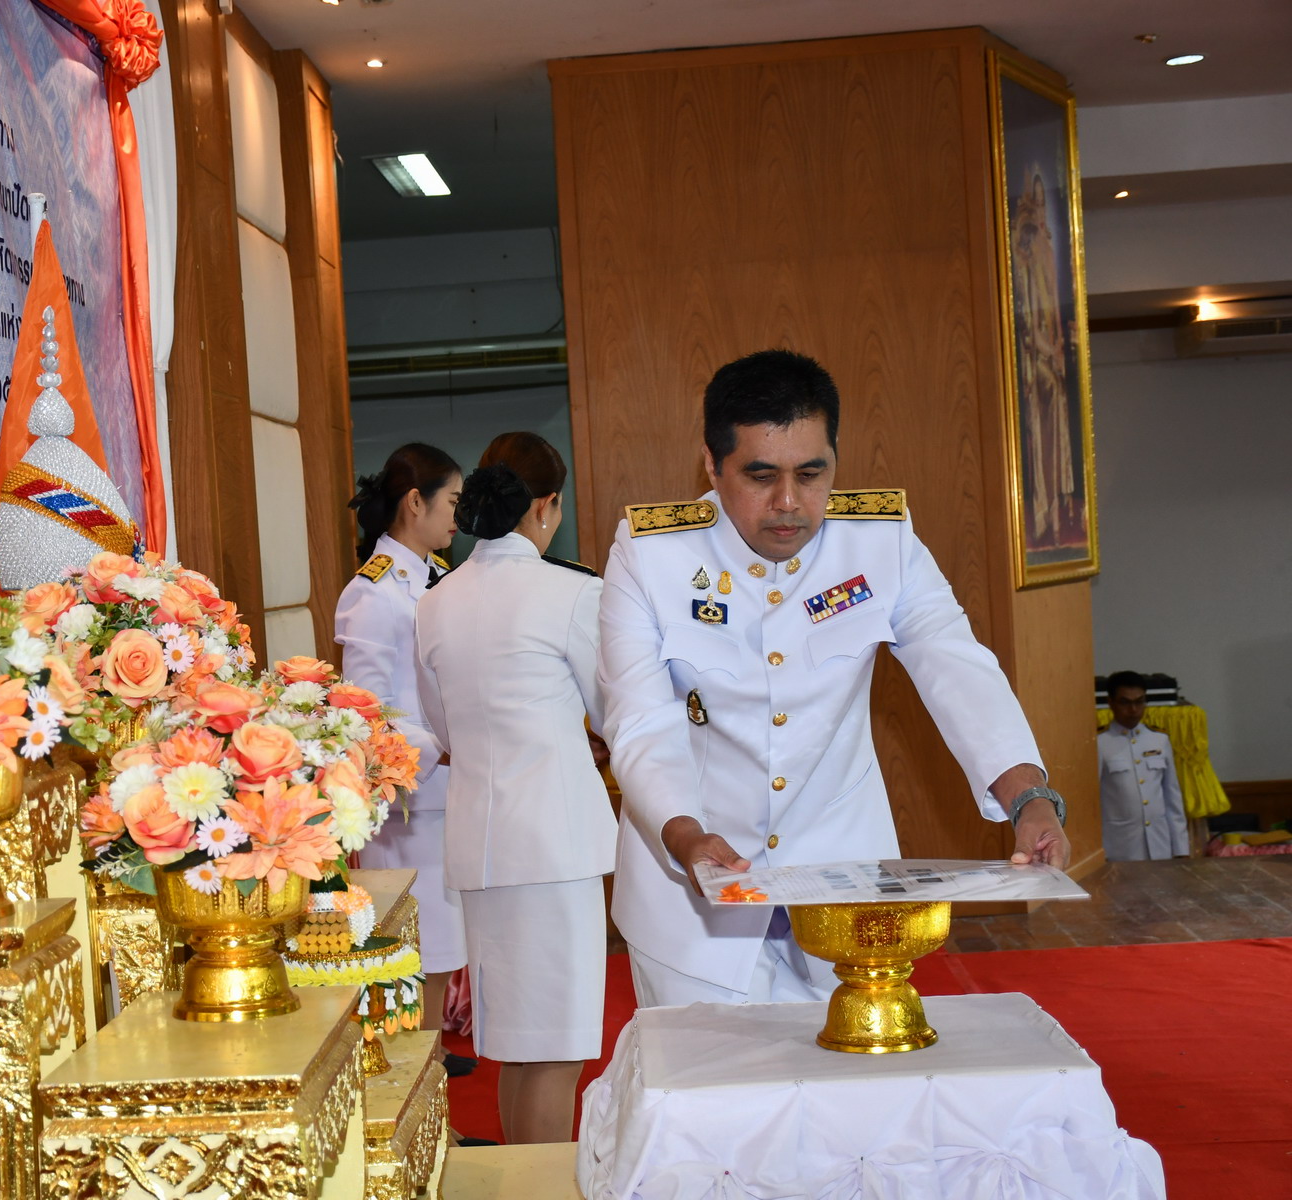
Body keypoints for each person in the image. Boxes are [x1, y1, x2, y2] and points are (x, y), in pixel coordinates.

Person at [598, 349, 1070, 1009]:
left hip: (845, 886)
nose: (788, 503)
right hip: (692, 894)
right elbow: (641, 719)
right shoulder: (652, 556)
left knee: (855, 1095)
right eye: (759, 476)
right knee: (717, 1102)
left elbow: (953, 662)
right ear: (711, 464)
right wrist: (685, 834)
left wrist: (1028, 796)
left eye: (811, 473)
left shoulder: (879, 540)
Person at [414, 432, 613, 1144]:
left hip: (482, 848)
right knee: (557, 1050)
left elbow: (443, 727)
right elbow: (615, 710)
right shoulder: (570, 591)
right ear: (547, 506)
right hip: (554, 847)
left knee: (518, 1051)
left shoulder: (435, 601)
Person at [334, 444, 468, 1036]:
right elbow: (365, 712)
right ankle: (413, 1095)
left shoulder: (437, 576)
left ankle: (430, 1089)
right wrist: (443, 741)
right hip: (410, 797)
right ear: (416, 502)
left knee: (442, 950)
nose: (457, 518)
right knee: (415, 956)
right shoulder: (374, 592)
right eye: (451, 502)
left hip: (447, 792)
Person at [1099, 671, 1189, 860]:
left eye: (1139, 702)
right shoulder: (1100, 742)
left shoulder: (1159, 739)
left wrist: (1181, 849)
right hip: (1120, 848)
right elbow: (1093, 803)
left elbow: (1172, 797)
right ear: (1111, 703)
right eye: (1125, 702)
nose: (1133, 709)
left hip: (1160, 845)